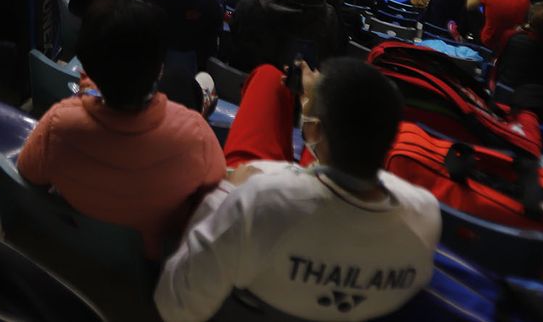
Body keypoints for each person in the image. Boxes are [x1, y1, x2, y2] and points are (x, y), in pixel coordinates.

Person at [154, 58, 439, 322]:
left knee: (268, 76)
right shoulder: (425, 215)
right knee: (276, 85)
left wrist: (226, 192)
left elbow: (175, 306)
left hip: (262, 210)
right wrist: (317, 106)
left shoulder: (255, 200)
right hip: (320, 213)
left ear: (313, 131)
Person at [18, 0, 225, 261]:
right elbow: (214, 194)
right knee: (196, 82)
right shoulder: (195, 133)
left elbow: (28, 171)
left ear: (86, 67)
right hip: (149, 263)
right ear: (159, 69)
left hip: (78, 248)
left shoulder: (58, 124)